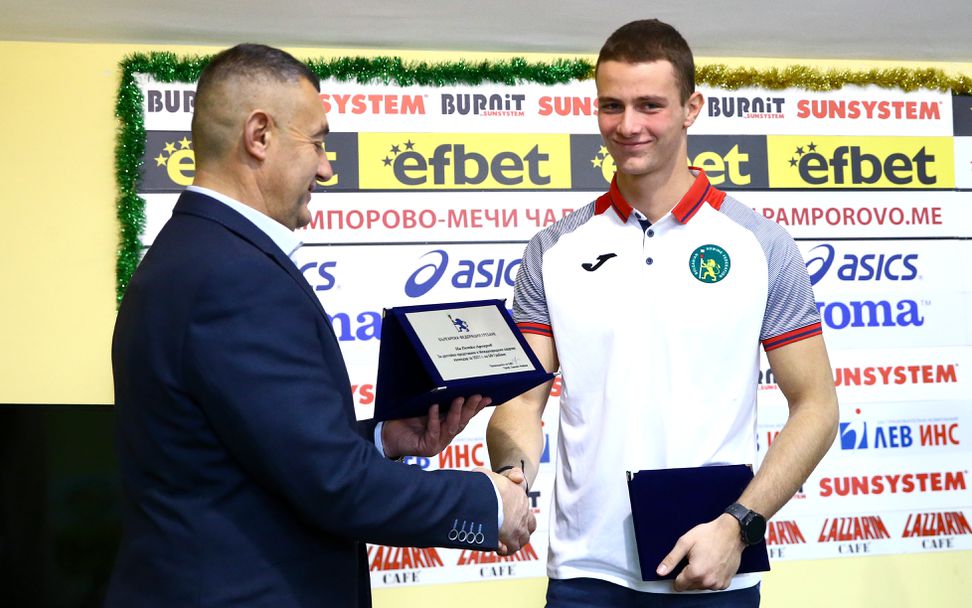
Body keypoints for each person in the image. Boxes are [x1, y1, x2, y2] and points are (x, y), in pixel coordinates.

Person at [106, 43, 534, 608]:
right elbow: (334, 484)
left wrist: (382, 439)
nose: (327, 168)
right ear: (259, 135)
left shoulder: (193, 253)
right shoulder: (233, 276)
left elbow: (259, 449)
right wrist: (489, 503)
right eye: (318, 143)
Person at [487, 19, 839, 607]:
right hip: (585, 573)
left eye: (649, 105)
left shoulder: (760, 244)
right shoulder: (553, 249)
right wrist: (513, 477)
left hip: (712, 567)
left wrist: (739, 525)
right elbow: (523, 402)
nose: (628, 126)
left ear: (690, 108)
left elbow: (817, 406)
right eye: (612, 105)